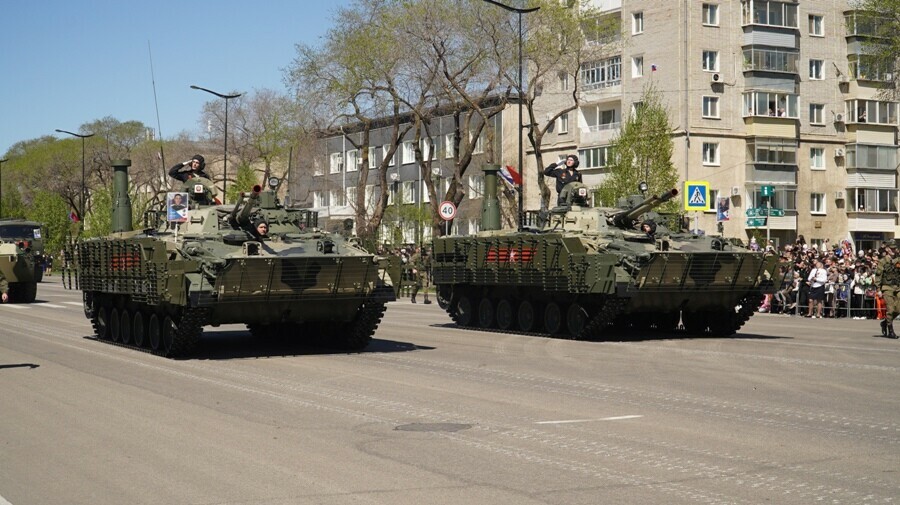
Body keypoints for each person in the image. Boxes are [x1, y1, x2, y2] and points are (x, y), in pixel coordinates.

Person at [874, 239, 900, 338]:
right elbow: (878, 276)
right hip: (887, 287)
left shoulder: (898, 260)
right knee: (890, 309)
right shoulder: (883, 261)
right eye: (891, 248)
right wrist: (878, 289)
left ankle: (885, 322)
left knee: (898, 309)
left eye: (895, 248)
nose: (893, 250)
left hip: (898, 287)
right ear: (887, 249)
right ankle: (890, 331)